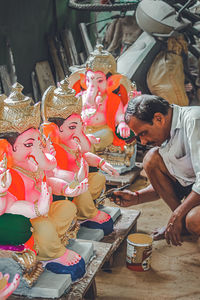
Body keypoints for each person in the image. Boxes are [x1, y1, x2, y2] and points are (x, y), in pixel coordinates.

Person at [111, 94, 200, 246]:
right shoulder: (166, 133)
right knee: (151, 159)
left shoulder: (194, 120)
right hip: (194, 189)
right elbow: (176, 181)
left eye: (143, 133)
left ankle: (184, 222)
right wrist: (137, 197)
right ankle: (182, 224)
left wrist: (177, 214)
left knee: (194, 221)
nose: (144, 141)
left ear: (159, 118)